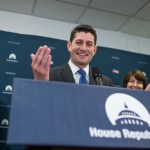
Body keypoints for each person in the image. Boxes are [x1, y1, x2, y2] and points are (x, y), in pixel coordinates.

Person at [31, 24, 112, 86]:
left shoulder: (106, 83)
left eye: (89, 44)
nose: (83, 48)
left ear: (94, 50)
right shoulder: (50, 76)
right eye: (79, 42)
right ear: (69, 46)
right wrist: (40, 82)